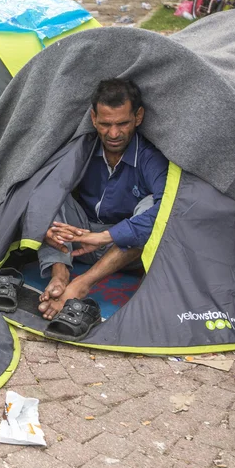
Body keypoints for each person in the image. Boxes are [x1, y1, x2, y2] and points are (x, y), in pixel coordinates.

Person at [37, 78, 169, 320]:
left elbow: (169, 211)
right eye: (106, 124)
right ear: (93, 118)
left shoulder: (151, 158)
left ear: (138, 117)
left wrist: (104, 237)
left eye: (123, 123)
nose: (114, 133)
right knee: (49, 194)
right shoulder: (83, 149)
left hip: (123, 250)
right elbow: (41, 193)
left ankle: (82, 284)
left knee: (154, 206)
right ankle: (60, 274)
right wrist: (40, 225)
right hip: (77, 240)